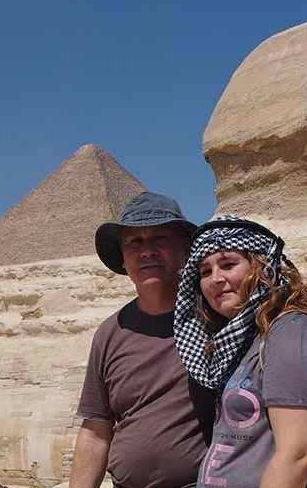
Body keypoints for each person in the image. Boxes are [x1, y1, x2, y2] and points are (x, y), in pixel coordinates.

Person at [173, 215, 307, 488]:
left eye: (228, 264)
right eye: (204, 271)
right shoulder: (243, 340)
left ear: (261, 268)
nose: (216, 279)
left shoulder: (290, 333)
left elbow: (296, 456)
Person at [70, 191, 215, 488]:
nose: (146, 251)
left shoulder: (217, 322)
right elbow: (96, 430)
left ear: (186, 249)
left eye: (159, 239)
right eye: (135, 243)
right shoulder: (110, 334)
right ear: (123, 259)